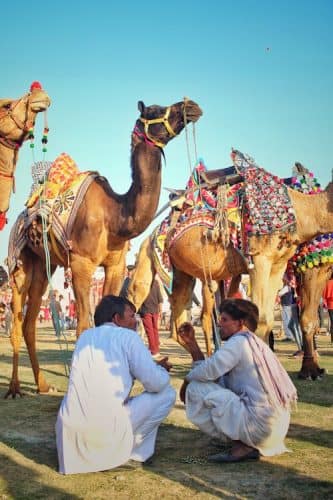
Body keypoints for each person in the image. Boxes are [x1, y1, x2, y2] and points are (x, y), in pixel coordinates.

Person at [56, 294, 175, 475]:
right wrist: (161, 371)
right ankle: (133, 451)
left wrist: (152, 366)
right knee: (166, 394)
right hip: (102, 431)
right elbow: (156, 383)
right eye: (131, 316)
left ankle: (115, 448)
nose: (136, 321)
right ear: (117, 318)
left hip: (70, 440)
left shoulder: (85, 337)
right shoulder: (128, 337)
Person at [178, 298, 297, 463]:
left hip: (259, 428)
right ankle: (243, 440)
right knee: (205, 386)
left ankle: (242, 446)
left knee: (195, 389)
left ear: (240, 323)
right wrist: (193, 345)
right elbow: (213, 375)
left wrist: (186, 381)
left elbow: (208, 371)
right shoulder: (253, 343)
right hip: (273, 432)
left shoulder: (239, 342)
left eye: (224, 320)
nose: (219, 324)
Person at [278, 276, 303, 356]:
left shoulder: (287, 287)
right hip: (291, 306)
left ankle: (301, 347)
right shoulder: (288, 286)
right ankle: (300, 347)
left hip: (289, 306)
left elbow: (279, 293)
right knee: (293, 326)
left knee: (294, 326)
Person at [139, 277, 163, 358]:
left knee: (149, 331)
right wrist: (160, 309)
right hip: (155, 309)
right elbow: (160, 298)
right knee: (155, 330)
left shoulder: (141, 282)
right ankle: (156, 349)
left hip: (146, 310)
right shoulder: (155, 282)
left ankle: (153, 351)